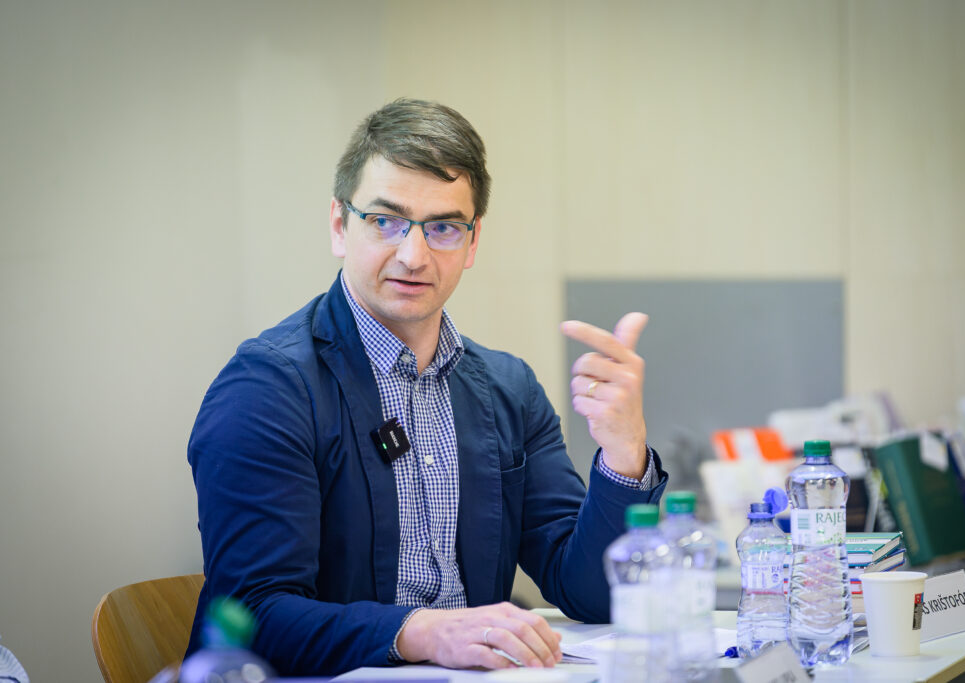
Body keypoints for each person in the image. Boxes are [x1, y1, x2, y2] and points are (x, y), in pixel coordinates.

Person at [186, 98, 667, 676]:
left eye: (443, 228)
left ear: (473, 241)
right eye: (384, 221)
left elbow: (589, 592)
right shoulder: (267, 389)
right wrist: (423, 632)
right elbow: (252, 615)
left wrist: (623, 450)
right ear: (340, 226)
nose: (413, 256)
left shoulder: (508, 388)